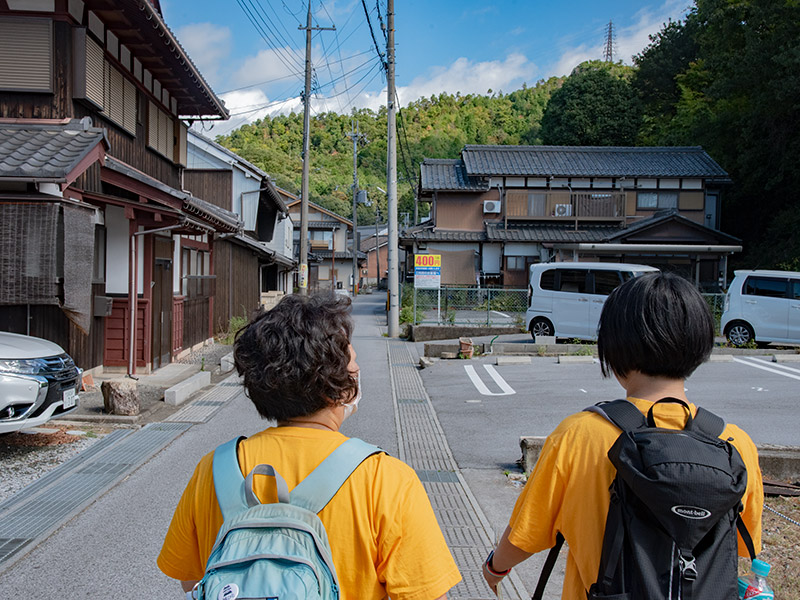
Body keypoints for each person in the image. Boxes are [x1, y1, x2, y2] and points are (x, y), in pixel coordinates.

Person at [158, 293, 461, 600]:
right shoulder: (385, 479)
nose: (357, 373)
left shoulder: (213, 469)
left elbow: (194, 579)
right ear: (339, 385)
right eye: (354, 364)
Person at [481, 272, 764, 599]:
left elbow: (523, 536)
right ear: (699, 344)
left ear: (614, 349)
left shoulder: (579, 435)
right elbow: (744, 546)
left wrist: (494, 569)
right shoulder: (734, 444)